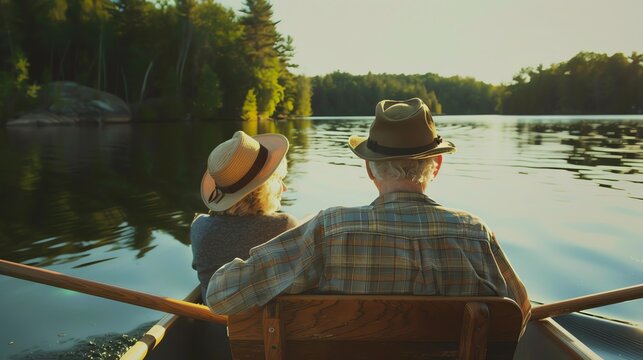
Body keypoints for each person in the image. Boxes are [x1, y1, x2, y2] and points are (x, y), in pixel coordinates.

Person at [205, 98, 531, 330]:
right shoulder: (475, 233)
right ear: (437, 165)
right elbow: (519, 316)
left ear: (370, 169)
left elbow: (220, 295)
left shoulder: (330, 230)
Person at [191, 130, 299, 299]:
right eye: (278, 179)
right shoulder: (285, 226)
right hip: (270, 323)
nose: (284, 188)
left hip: (213, 323)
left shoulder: (199, 227)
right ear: (264, 188)